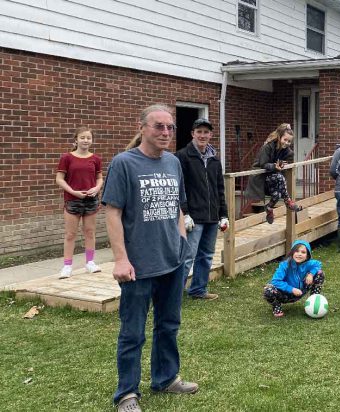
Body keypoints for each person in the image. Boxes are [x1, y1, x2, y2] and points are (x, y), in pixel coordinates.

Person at [102, 104, 198, 412]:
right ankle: (127, 394)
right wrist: (120, 259)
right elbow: (113, 213)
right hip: (138, 266)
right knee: (132, 333)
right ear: (142, 127)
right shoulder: (124, 163)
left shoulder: (173, 162)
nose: (166, 132)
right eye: (159, 126)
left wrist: (182, 246)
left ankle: (166, 378)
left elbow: (178, 208)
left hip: (172, 262)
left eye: (170, 127)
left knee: (169, 325)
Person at [175, 118, 229, 300]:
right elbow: (179, 188)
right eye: (199, 132)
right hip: (193, 218)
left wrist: (223, 215)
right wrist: (185, 213)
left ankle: (198, 290)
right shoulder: (182, 156)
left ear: (211, 135)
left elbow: (219, 189)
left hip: (212, 217)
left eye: (206, 132)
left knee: (206, 256)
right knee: (186, 257)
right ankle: (173, 294)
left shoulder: (214, 160)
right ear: (192, 134)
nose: (202, 135)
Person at [55, 127, 103, 279]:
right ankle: (67, 266)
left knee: (90, 232)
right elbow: (59, 179)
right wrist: (72, 191)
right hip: (72, 200)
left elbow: (99, 178)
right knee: (70, 234)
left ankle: (90, 263)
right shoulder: (67, 158)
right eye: (82, 137)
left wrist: (96, 188)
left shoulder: (96, 159)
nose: (85, 140)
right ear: (76, 140)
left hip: (91, 200)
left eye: (88, 138)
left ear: (92, 141)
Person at [247, 123, 303, 224]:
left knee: (277, 194)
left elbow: (285, 167)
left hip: (274, 178)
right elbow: (263, 164)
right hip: (261, 177)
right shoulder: (267, 147)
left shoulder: (288, 152)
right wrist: (274, 166)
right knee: (279, 177)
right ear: (279, 137)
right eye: (285, 140)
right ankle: (288, 201)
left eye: (289, 141)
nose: (286, 143)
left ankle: (269, 208)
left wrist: (281, 166)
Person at [262, 240, 324, 317]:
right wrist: (291, 289)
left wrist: (311, 274)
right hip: (286, 294)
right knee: (268, 290)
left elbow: (318, 264)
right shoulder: (284, 265)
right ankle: (276, 307)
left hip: (302, 290)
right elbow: (275, 281)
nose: (299, 254)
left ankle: (314, 301)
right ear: (292, 253)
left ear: (308, 255)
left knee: (319, 273)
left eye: (303, 252)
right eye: (297, 251)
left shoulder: (309, 263)